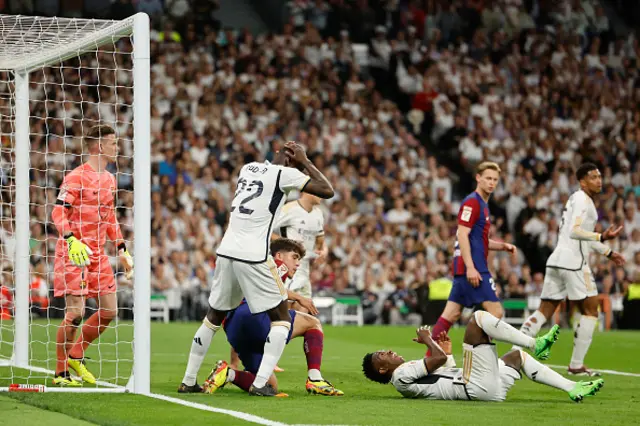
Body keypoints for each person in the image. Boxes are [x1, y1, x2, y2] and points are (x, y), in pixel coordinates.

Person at [178, 141, 334, 396]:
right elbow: (327, 190)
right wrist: (305, 162)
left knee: (213, 317)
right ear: (293, 160)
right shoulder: (287, 174)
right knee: (281, 318)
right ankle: (260, 384)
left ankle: (188, 380)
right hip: (253, 253)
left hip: (227, 248)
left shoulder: (247, 168)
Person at [519, 163, 625, 376]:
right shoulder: (582, 200)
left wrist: (608, 252)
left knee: (544, 311)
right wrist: (601, 236)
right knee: (591, 310)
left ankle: (514, 352)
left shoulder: (576, 199)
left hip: (557, 260)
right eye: (593, 177)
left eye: (600, 176)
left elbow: (580, 235)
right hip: (573, 263)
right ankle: (576, 365)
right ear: (582, 181)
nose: (599, 180)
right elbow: (576, 232)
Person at [203, 238, 343, 397]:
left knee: (269, 385)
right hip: (252, 315)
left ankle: (228, 374)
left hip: (233, 328)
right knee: (313, 323)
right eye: (294, 257)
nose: (297, 264)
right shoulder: (276, 264)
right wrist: (299, 297)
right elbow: (271, 285)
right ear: (279, 256)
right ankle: (315, 379)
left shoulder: (257, 267)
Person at [362, 311, 604, 403]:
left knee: (517, 357)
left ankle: (572, 387)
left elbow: (445, 370)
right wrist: (428, 340)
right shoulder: (401, 375)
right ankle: (535, 342)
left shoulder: (408, 373)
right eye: (383, 355)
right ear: (382, 370)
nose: (390, 352)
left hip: (481, 387)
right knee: (477, 319)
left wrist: (445, 351)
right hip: (474, 386)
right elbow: (435, 361)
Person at [51, 124, 133, 386]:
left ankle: (76, 354)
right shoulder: (76, 176)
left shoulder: (109, 179)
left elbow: (109, 218)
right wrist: (71, 240)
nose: (117, 148)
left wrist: (121, 249)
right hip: (75, 252)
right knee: (75, 313)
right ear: (99, 146)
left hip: (97, 254)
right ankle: (60, 372)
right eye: (113, 143)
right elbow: (57, 212)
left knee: (110, 311)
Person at [429, 161, 516, 354]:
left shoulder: (483, 204)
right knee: (496, 313)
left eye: (495, 180)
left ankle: (430, 359)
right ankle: (478, 356)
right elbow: (462, 234)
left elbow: (479, 240)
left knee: (451, 314)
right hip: (474, 268)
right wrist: (470, 266)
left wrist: (502, 246)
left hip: (468, 268)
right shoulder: (472, 202)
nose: (492, 183)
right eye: (488, 178)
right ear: (478, 178)